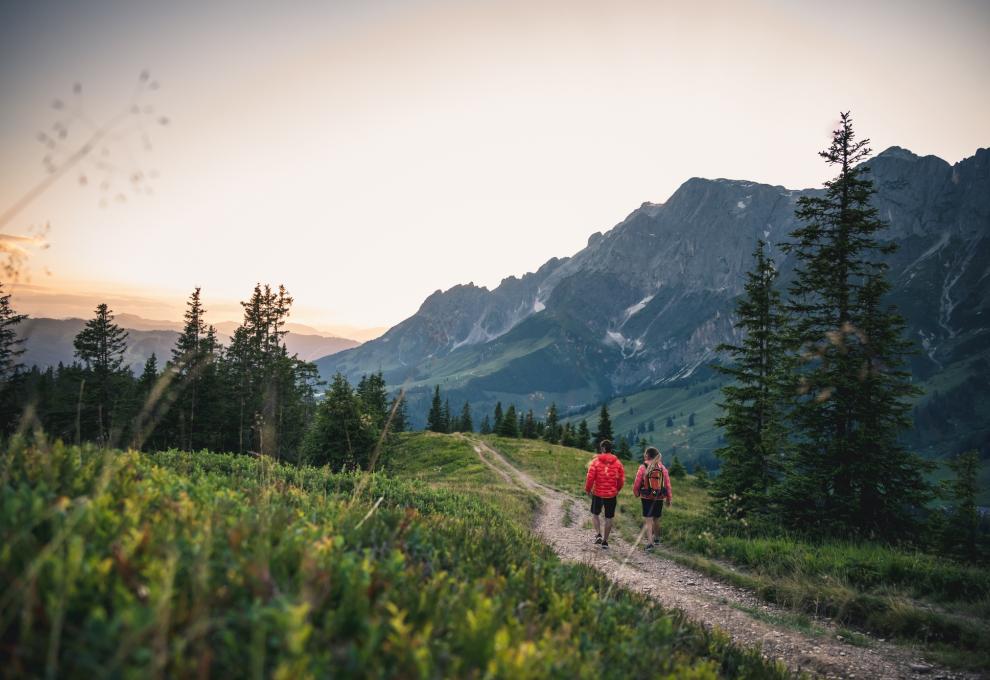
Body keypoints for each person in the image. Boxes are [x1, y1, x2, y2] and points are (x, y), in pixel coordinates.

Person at [584, 439, 625, 549]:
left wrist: (588, 489)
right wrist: (617, 489)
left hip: (598, 493)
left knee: (595, 514)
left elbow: (590, 477)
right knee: (609, 517)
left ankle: (598, 534)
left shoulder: (596, 461)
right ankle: (605, 541)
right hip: (611, 495)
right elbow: (621, 479)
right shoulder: (618, 463)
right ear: (611, 449)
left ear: (602, 448)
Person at [632, 447, 672, 551]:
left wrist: (636, 493)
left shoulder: (643, 467)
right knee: (656, 518)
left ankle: (650, 543)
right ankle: (657, 538)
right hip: (659, 497)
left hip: (646, 496)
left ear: (647, 455)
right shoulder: (662, 468)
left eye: (645, 454)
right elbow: (667, 485)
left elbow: (637, 482)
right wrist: (669, 498)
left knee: (648, 520)